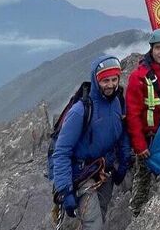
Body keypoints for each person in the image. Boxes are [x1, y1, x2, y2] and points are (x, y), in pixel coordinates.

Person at [52, 55, 131, 230]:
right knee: (93, 224)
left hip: (105, 171)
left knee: (100, 216)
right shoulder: (81, 111)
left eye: (114, 79)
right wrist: (65, 190)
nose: (110, 85)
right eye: (105, 81)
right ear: (96, 81)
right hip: (82, 175)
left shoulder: (117, 102)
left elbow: (122, 133)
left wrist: (123, 163)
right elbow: (62, 152)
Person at [125, 28, 160, 216]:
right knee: (143, 179)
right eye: (158, 48)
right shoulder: (138, 77)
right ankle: (137, 216)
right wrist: (139, 146)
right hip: (148, 140)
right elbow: (132, 115)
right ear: (151, 49)